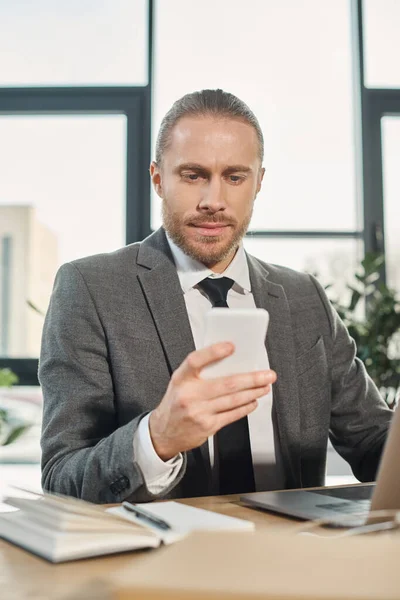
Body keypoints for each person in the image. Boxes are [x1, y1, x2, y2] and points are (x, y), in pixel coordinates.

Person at [39, 89, 392, 504]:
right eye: (193, 175)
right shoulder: (90, 288)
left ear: (259, 183)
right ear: (158, 179)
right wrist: (156, 438)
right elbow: (62, 476)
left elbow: (372, 438)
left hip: (292, 556)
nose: (214, 201)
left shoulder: (304, 297)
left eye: (235, 177)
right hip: (163, 561)